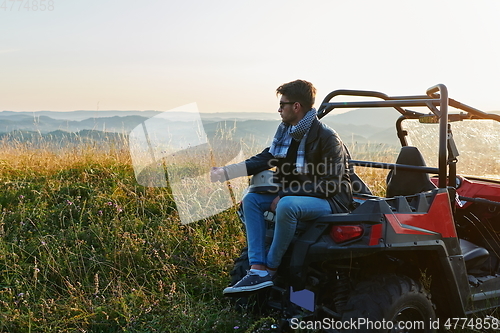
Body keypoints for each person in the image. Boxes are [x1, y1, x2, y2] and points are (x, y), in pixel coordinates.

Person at [211, 79, 353, 295]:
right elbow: (266, 158)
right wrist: (227, 172)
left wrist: (287, 193)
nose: (279, 109)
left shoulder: (327, 138)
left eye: (283, 104)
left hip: (330, 201)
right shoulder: (288, 133)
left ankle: (271, 268)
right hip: (299, 195)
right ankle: (257, 268)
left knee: (286, 205)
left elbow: (330, 185)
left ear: (297, 106)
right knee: (252, 200)